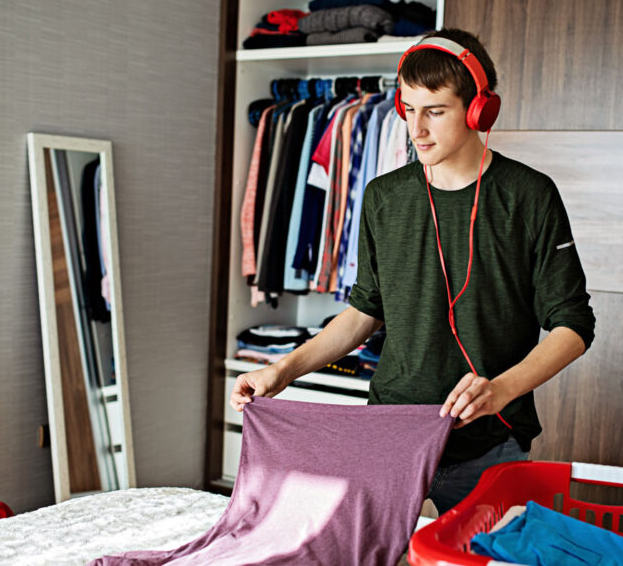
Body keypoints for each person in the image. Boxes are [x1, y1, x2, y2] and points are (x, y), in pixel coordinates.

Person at [230, 28, 595, 514]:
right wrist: (282, 369)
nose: (415, 128)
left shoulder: (529, 195)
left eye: (435, 111)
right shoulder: (384, 197)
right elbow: (365, 311)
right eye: (407, 108)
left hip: (491, 443)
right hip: (389, 433)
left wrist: (500, 390)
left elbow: (573, 324)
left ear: (477, 111)